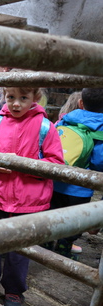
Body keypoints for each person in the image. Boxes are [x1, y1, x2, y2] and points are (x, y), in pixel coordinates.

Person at [0, 85, 64, 306]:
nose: (15, 103)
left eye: (23, 98)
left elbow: (56, 164)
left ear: (35, 98)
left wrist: (24, 166)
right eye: (11, 97)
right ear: (4, 95)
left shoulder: (46, 127)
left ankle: (13, 290)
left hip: (29, 202)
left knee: (19, 249)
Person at [47, 88, 103, 259]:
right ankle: (65, 246)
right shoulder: (100, 128)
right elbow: (99, 161)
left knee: (52, 213)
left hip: (56, 179)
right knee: (74, 220)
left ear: (80, 103)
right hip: (80, 187)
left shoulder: (66, 119)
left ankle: (46, 243)